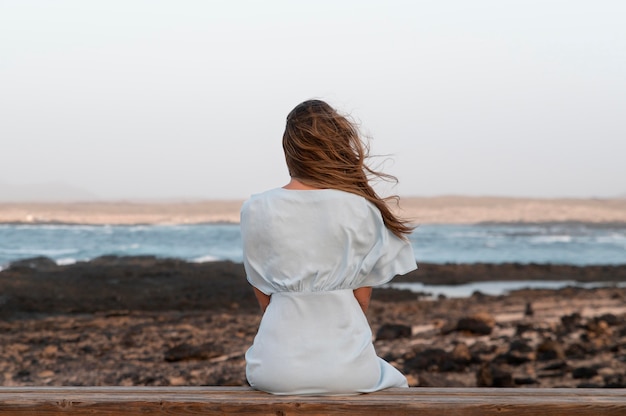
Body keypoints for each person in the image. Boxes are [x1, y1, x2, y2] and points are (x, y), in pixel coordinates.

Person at [240, 99, 417, 395]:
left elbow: (264, 296)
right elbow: (361, 303)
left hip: (275, 371)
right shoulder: (361, 207)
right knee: (395, 381)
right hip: (349, 370)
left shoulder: (256, 208)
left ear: (289, 150)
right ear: (338, 148)